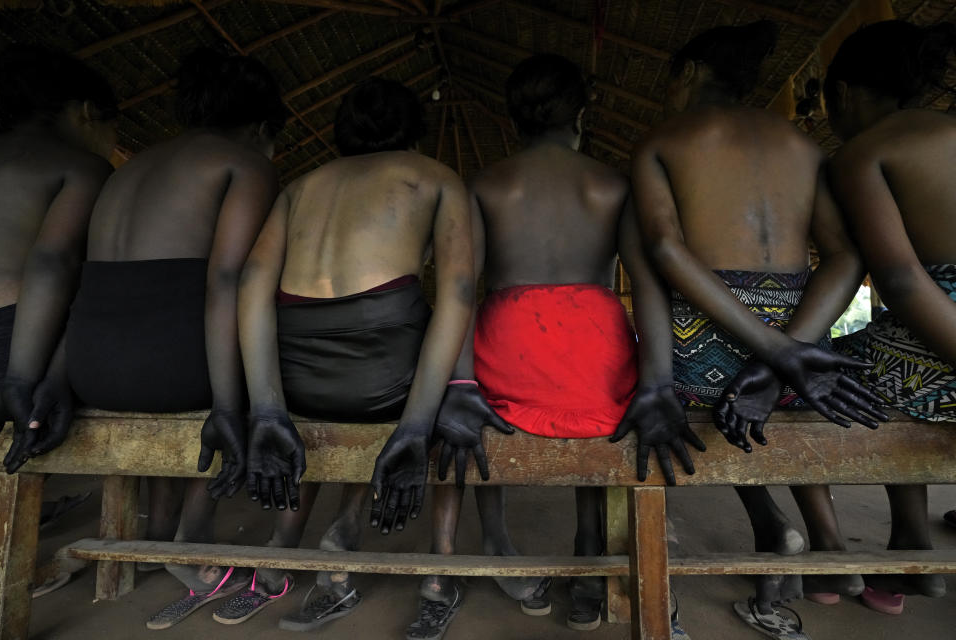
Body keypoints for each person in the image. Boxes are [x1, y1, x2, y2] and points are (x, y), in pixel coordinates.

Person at [393, 53, 704, 639]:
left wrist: (460, 382)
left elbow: (460, 288)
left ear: (514, 120)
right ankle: (591, 560)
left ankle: (489, 545)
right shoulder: (613, 182)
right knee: (601, 416)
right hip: (595, 343)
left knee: (482, 413)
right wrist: (658, 380)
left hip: (510, 340)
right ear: (581, 114)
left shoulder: (484, 184)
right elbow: (646, 280)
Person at [10, 48, 287, 629]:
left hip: (90, 367)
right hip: (169, 367)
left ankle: (160, 523)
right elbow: (227, 282)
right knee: (262, 326)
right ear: (263, 127)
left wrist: (58, 378)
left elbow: (92, 285)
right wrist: (231, 407)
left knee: (170, 317)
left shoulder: (126, 169)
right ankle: (194, 532)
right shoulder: (243, 164)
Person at [631, 20, 887, 637]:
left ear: (689, 73)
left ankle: (661, 575)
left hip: (707, 344)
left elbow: (664, 251)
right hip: (806, 347)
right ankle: (796, 534)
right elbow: (848, 257)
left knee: (651, 402)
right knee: (765, 402)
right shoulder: (803, 146)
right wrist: (787, 353)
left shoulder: (662, 142)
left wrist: (767, 350)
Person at [235, 77, 477, 632]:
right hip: (383, 384)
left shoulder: (299, 187)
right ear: (414, 134)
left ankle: (312, 541)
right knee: (459, 394)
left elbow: (251, 283)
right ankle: (437, 573)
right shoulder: (436, 178)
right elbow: (460, 294)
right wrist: (416, 427)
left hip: (295, 384)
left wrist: (267, 408)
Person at [824, 19, 955, 614]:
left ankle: (897, 540)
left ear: (845, 93)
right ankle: (909, 543)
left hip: (943, 333)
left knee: (823, 372)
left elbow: (901, 280)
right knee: (888, 347)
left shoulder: (866, 153)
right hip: (932, 329)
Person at [0, 45, 115, 459]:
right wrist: (19, 378)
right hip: (13, 338)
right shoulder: (82, 168)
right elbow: (54, 261)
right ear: (86, 112)